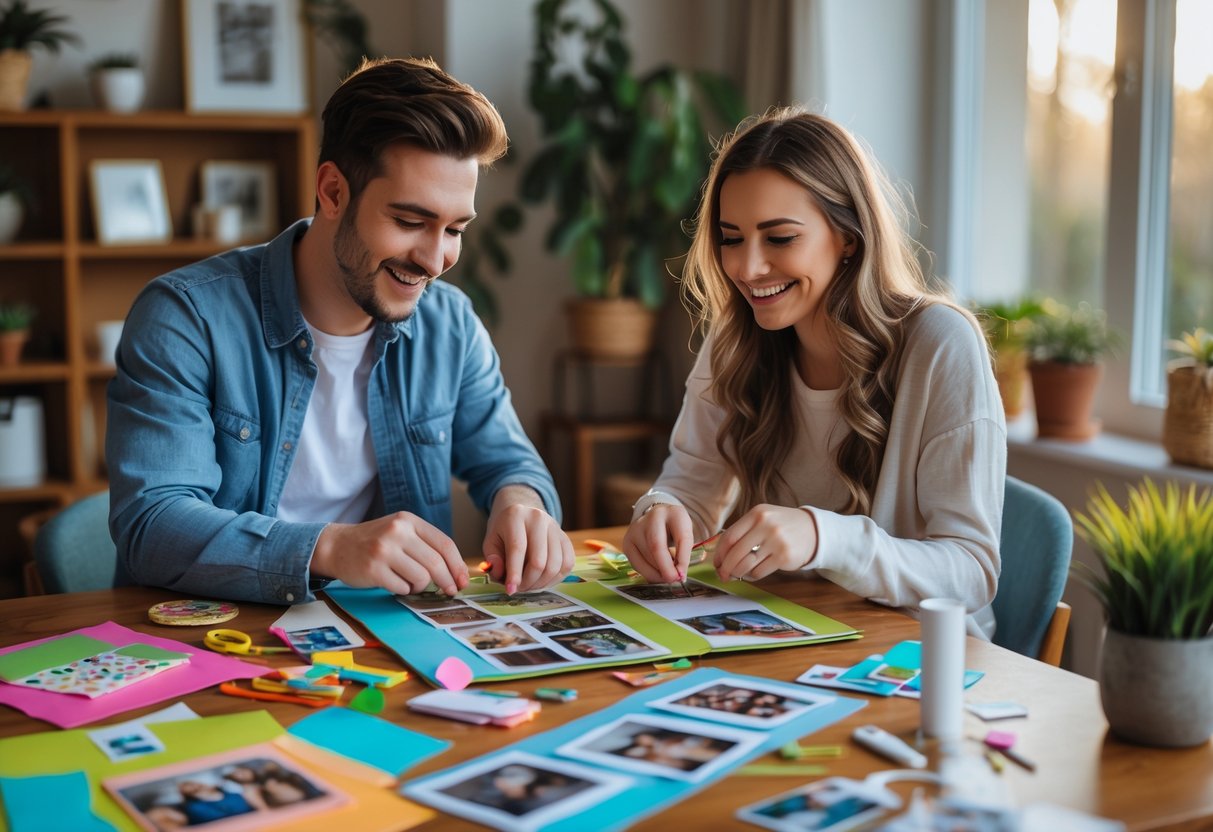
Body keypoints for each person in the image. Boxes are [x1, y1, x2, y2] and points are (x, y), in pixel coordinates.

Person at [106, 57, 574, 605]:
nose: (435, 258)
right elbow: (153, 525)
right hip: (216, 634)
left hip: (384, 642)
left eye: (455, 229)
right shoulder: (185, 317)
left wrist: (523, 506)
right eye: (409, 222)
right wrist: (328, 549)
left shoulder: (450, 324)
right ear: (332, 192)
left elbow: (508, 463)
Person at [622, 107, 1005, 638]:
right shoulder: (737, 336)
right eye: (731, 237)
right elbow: (690, 486)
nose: (748, 269)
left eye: (779, 238)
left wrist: (824, 537)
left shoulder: (940, 344)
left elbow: (972, 573)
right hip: (786, 631)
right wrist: (661, 510)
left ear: (848, 236)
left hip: (912, 656)